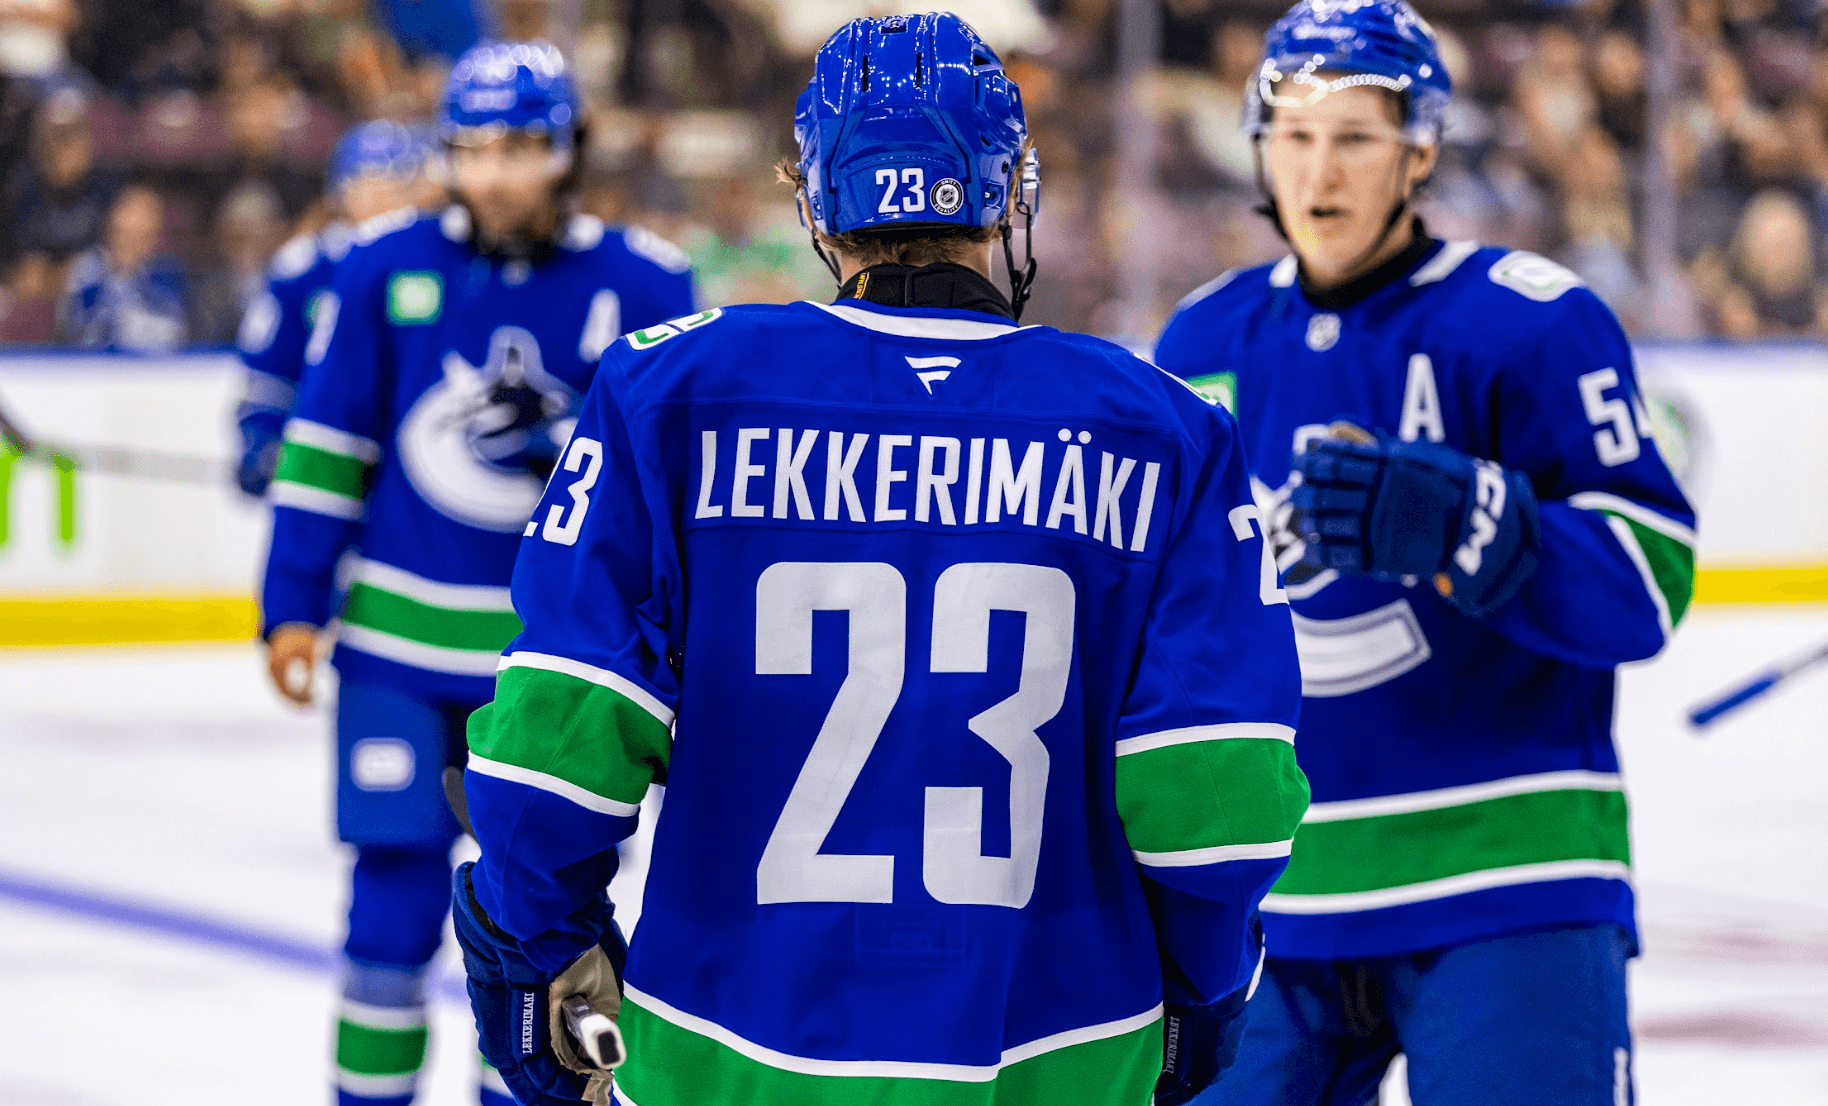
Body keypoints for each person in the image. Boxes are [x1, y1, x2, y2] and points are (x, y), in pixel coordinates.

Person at [448, 13, 1308, 1106]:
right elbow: (1216, 785)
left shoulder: (671, 391)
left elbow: (558, 731)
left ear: (811, 201)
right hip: (1060, 1049)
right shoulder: (1164, 425)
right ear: (1009, 195)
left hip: (729, 1050)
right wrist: (1199, 979)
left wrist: (534, 933)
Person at [1152, 3, 1697, 1103]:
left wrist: (1470, 523)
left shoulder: (1530, 323)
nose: (1320, 171)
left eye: (1354, 135)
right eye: (1294, 135)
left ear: (1421, 148)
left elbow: (1647, 581)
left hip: (1512, 882)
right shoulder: (1199, 342)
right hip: (1272, 899)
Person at [257, 40, 697, 1106]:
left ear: (567, 149)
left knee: (540, 931)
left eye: (520, 147)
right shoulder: (378, 267)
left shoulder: (646, 280)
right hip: (395, 659)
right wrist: (290, 603)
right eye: (472, 149)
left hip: (553, 675)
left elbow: (673, 497)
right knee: (389, 917)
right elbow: (327, 445)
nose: (495, 174)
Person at [233, 119, 433, 499]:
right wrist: (262, 439)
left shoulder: (445, 269)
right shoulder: (304, 270)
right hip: (326, 454)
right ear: (340, 194)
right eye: (368, 187)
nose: (382, 202)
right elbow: (267, 375)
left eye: (395, 189)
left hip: (420, 471)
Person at [56, 182, 187, 351]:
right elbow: (73, 324)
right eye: (128, 208)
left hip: (150, 368)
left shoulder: (167, 270)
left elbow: (172, 329)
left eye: (145, 212)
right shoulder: (88, 265)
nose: (135, 218)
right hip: (92, 365)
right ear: (112, 216)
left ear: (158, 224)